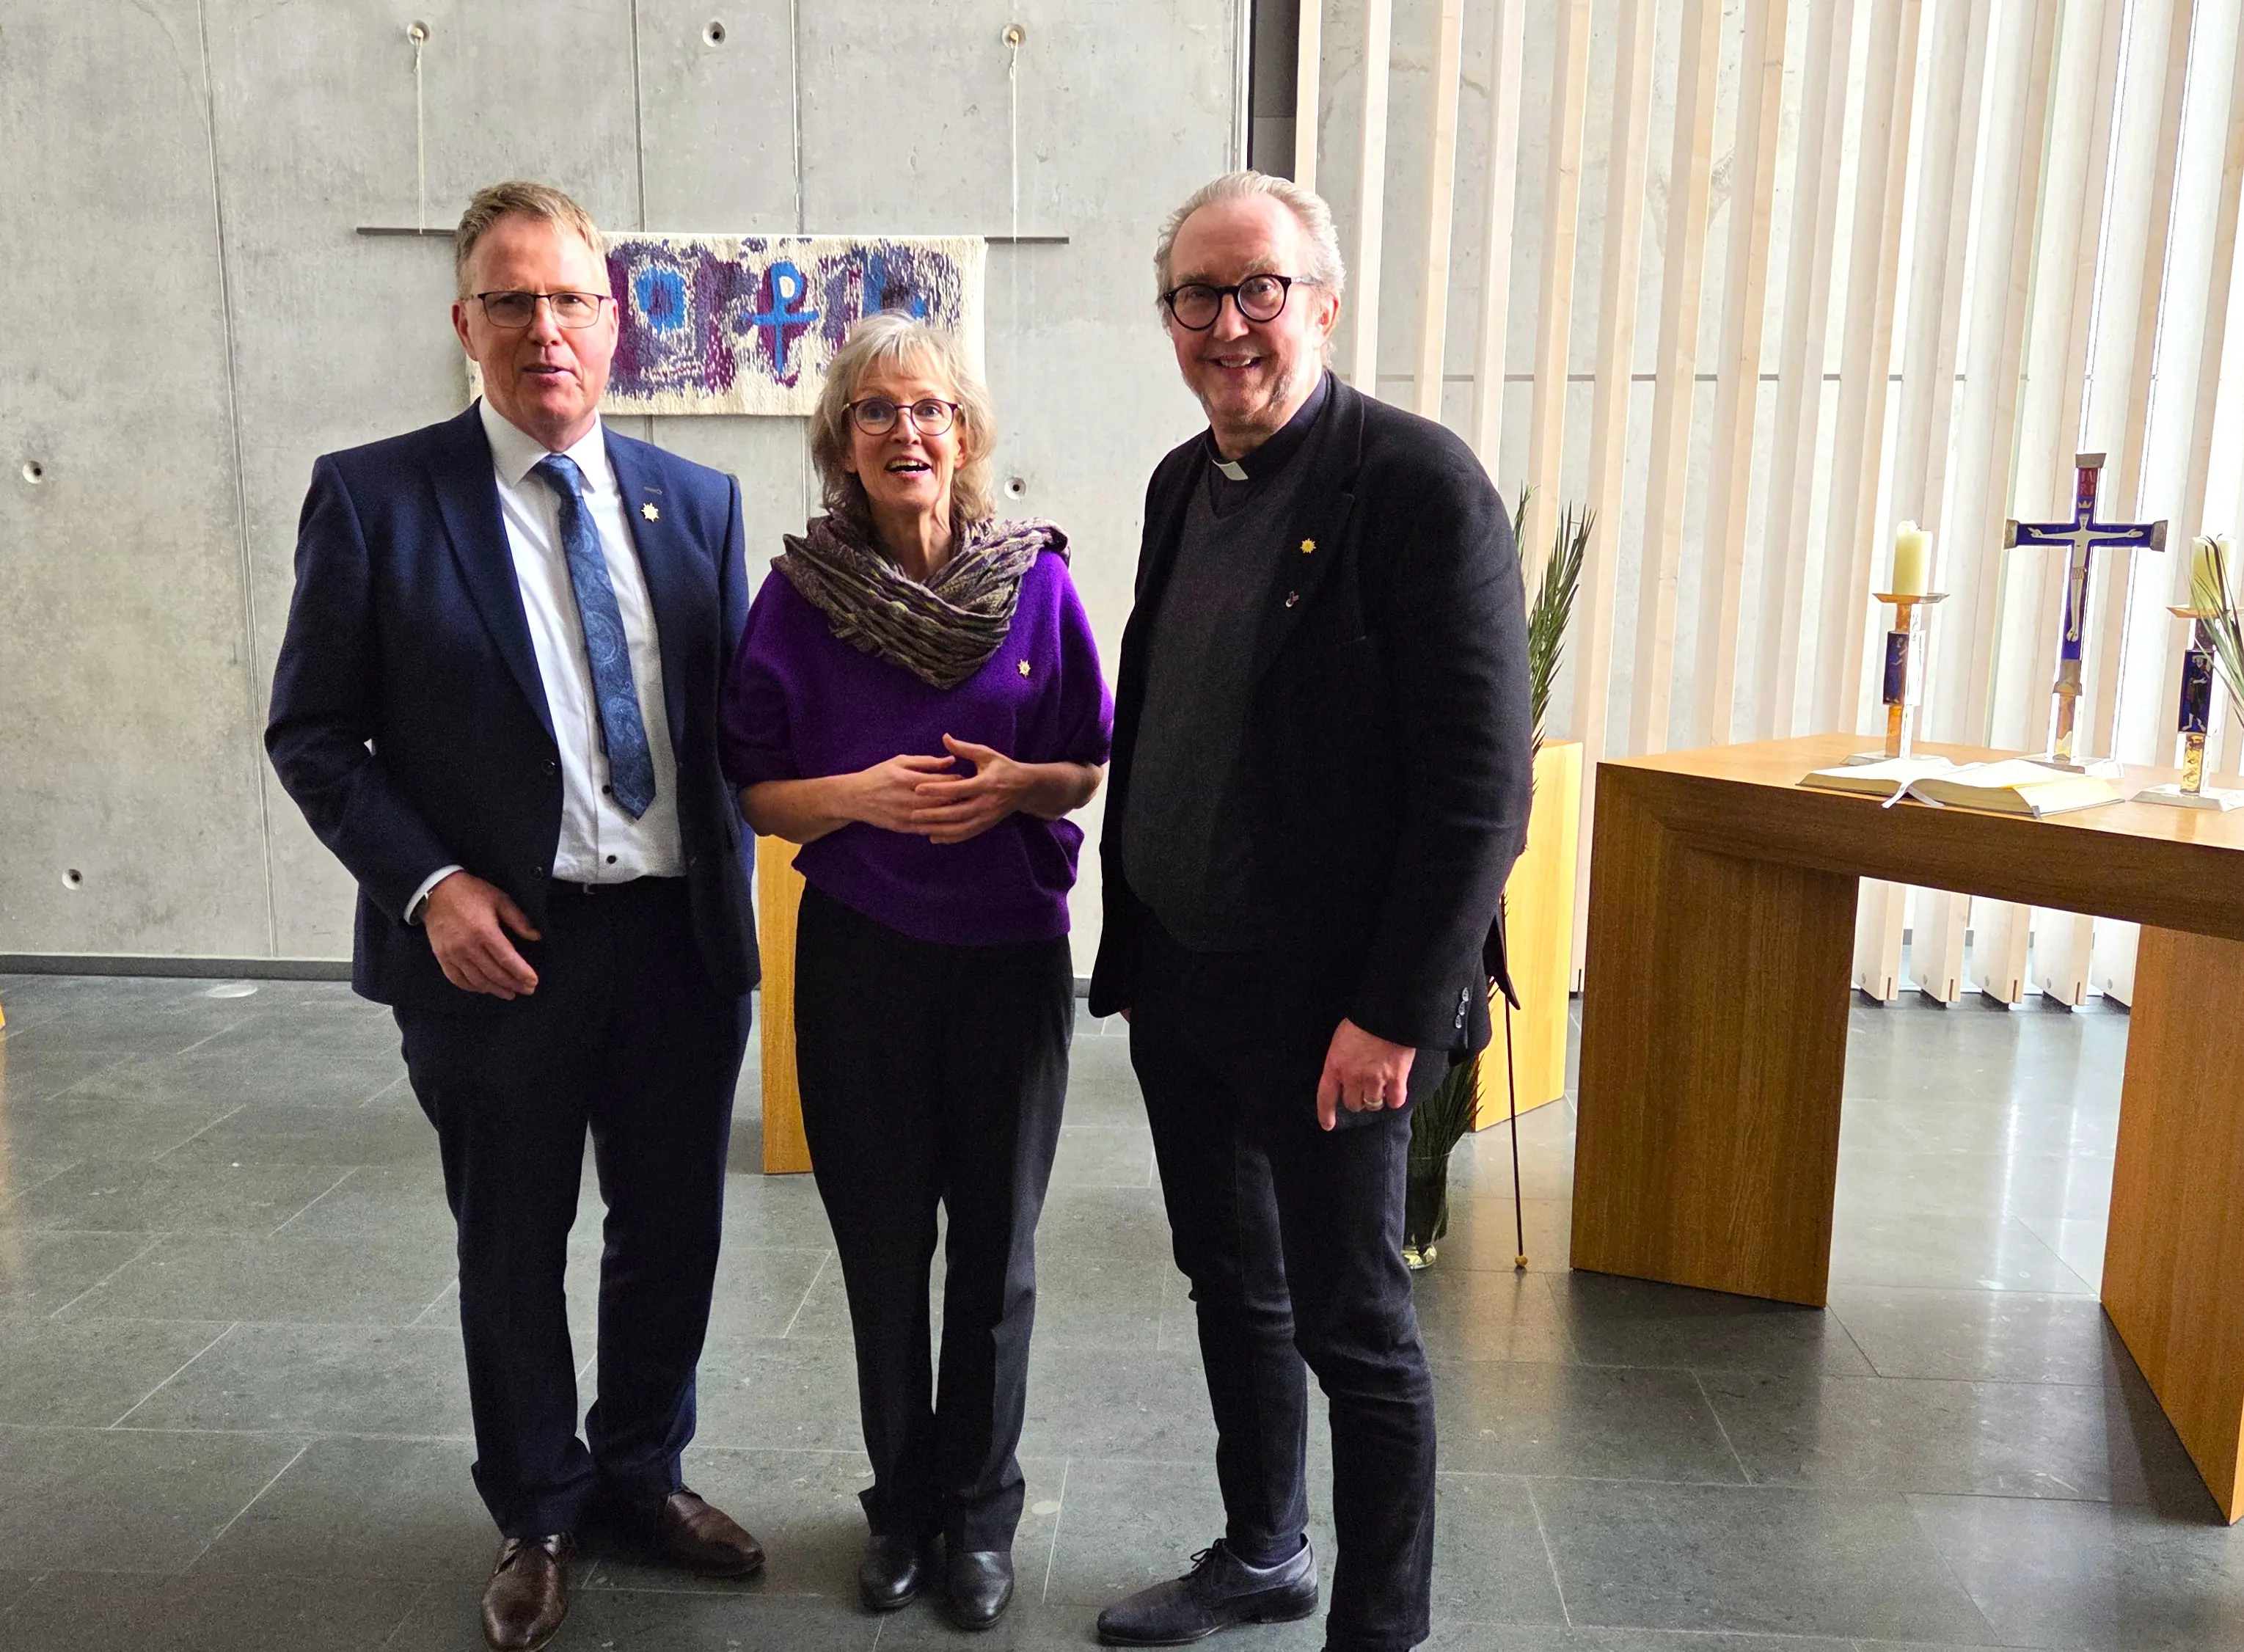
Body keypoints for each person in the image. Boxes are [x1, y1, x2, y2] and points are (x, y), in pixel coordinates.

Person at [266, 180, 765, 1652]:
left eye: (570, 300)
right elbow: (313, 733)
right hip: (495, 951)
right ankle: (537, 1507)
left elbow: (741, 724)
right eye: (512, 301)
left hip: (678, 942)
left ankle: (641, 1475)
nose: (545, 328)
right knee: (511, 1239)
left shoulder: (700, 504)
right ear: (464, 325)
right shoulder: (375, 497)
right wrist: (428, 886)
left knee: (670, 1228)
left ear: (617, 323)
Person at [1086, 172, 1532, 1652]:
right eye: (1195, 296)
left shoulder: (1411, 484)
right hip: (1187, 977)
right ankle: (1261, 1547)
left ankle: (1377, 1625)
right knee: (1228, 1279)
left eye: (1256, 289)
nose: (1226, 324)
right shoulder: (1176, 483)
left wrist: (1395, 1013)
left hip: (1333, 1003)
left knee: (1355, 1327)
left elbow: (1478, 788)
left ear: (1320, 303)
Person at [723, 312, 1111, 1632]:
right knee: (883, 1252)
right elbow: (759, 792)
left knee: (995, 1254)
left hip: (1006, 963)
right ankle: (899, 1508)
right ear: (842, 442)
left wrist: (1020, 786)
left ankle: (980, 1516)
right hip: (862, 962)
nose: (908, 432)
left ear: (965, 433)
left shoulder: (1035, 583)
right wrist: (856, 798)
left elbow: (1083, 763)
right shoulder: (798, 596)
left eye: (930, 409)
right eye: (878, 412)